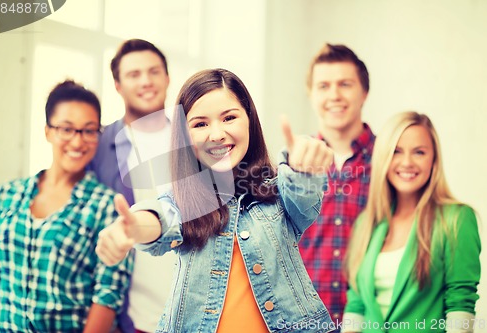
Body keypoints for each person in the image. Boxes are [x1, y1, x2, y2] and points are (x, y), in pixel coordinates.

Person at [96, 68, 336, 332]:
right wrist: (132, 228)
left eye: (229, 118)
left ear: (249, 120)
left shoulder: (278, 192)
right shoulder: (183, 201)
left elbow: (305, 200)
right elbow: (160, 217)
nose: (217, 134)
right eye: (200, 124)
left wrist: (304, 170)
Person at [0, 80, 132, 332]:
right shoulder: (6, 196)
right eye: (66, 129)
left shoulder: (107, 207)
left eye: (88, 130)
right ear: (48, 131)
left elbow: (108, 296)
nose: (77, 142)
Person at [342, 112, 481, 333]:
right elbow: (356, 304)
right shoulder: (366, 224)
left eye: (419, 152)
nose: (407, 162)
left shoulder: (457, 219)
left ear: (434, 159)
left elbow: (460, 302)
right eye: (396, 151)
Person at [89, 39, 176, 333]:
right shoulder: (99, 146)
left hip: (197, 311)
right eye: (134, 74)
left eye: (153, 72)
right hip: (133, 318)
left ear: (167, 77)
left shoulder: (194, 137)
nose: (146, 81)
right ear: (117, 85)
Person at [299, 43, 376, 329]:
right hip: (304, 321)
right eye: (323, 86)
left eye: (345, 84)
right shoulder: (293, 163)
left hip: (373, 319)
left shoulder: (391, 162)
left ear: (364, 92)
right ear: (311, 94)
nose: (334, 95)